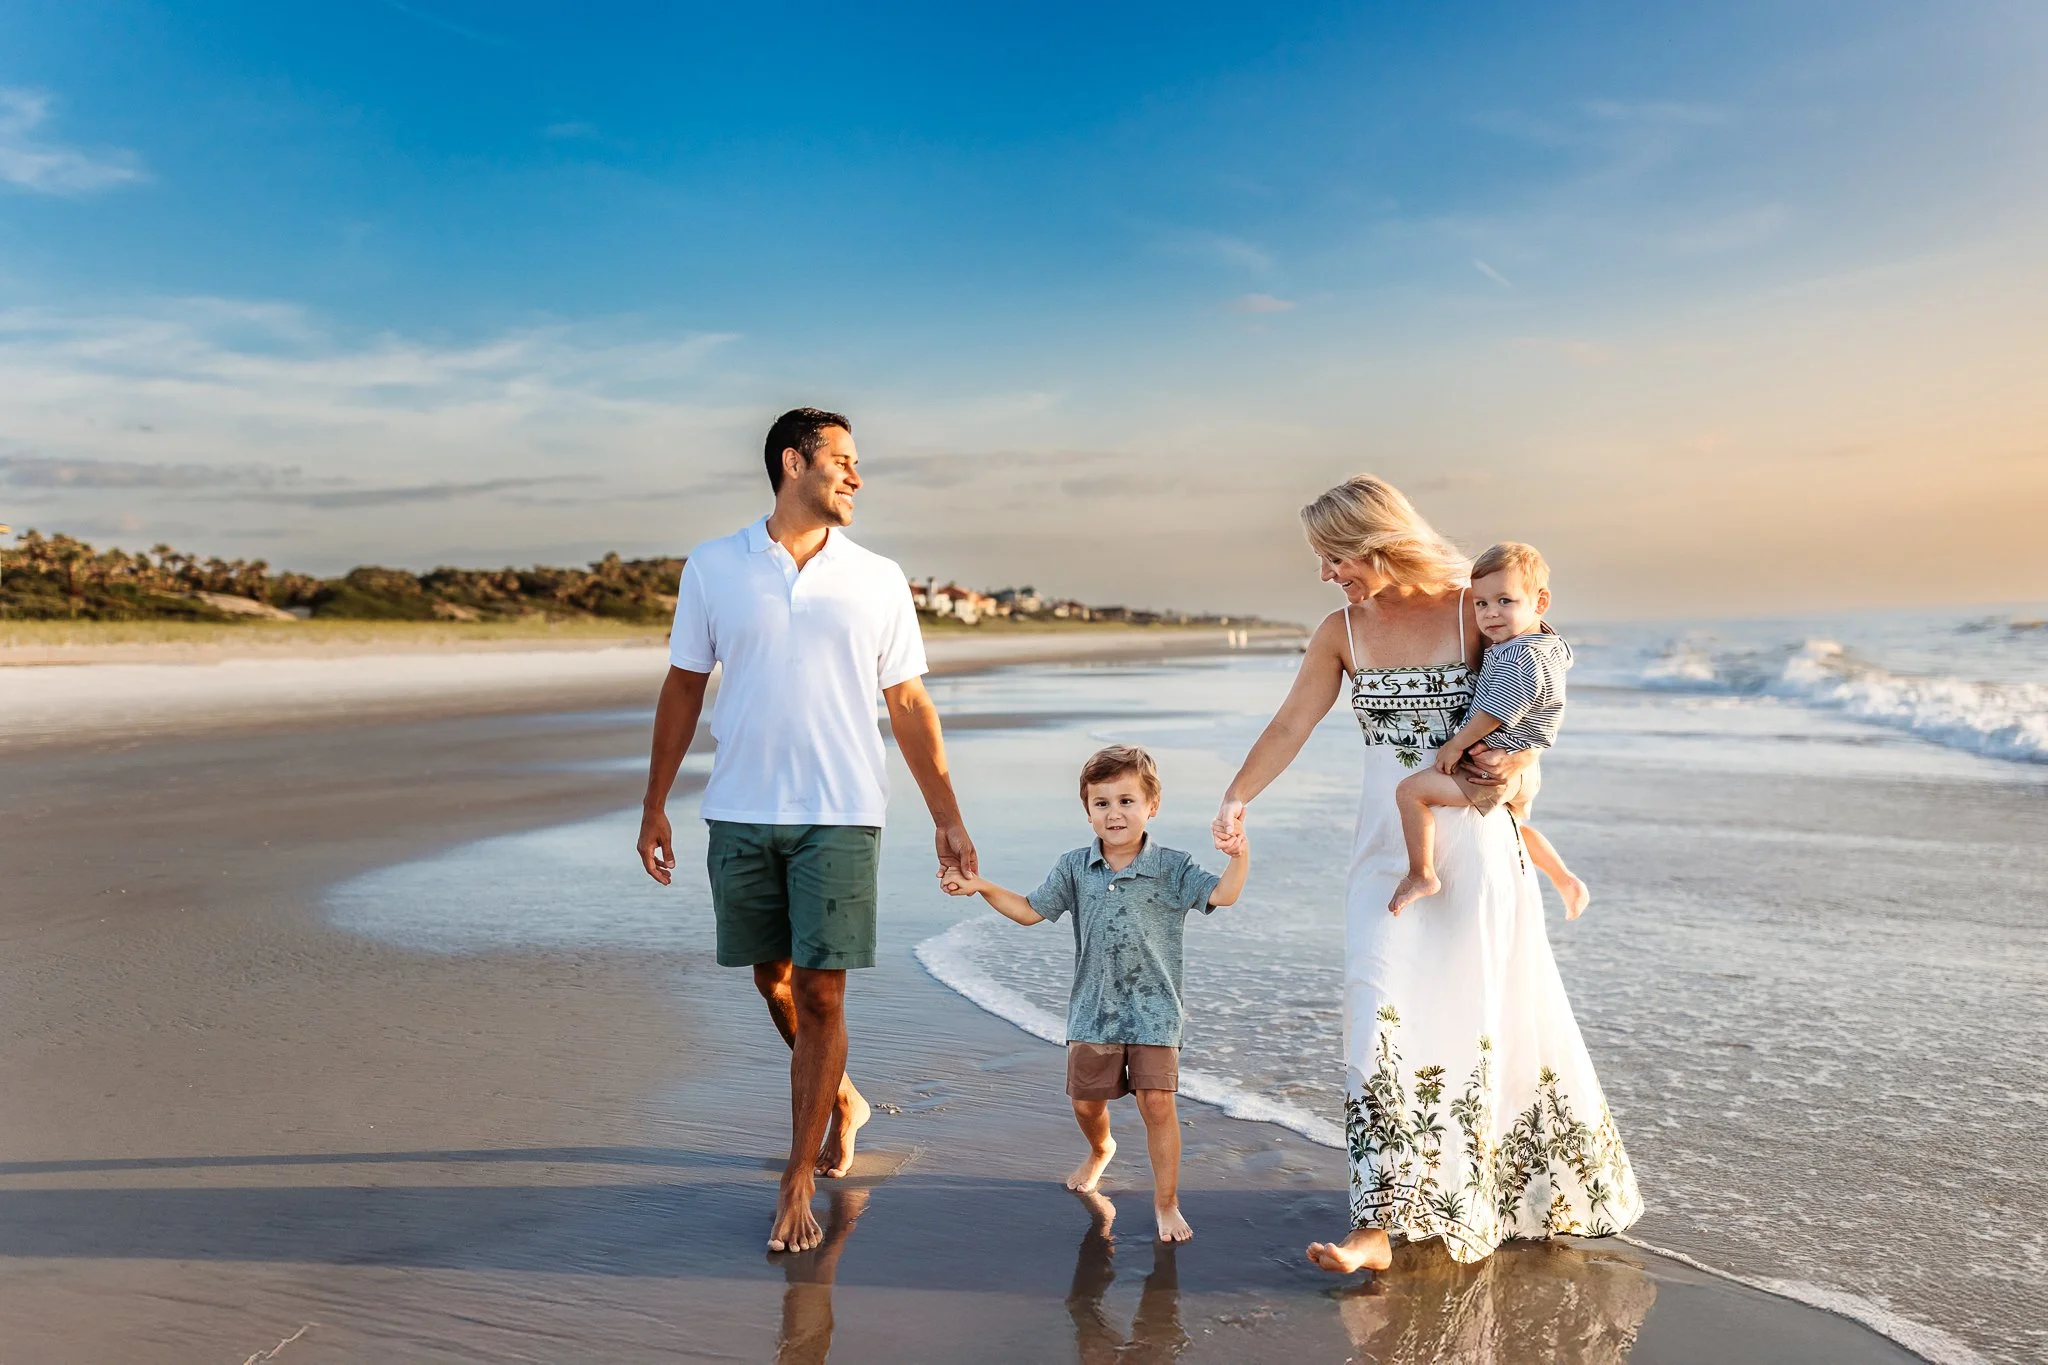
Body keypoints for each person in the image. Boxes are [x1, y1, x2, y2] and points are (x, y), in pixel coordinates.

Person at [1211, 475, 1641, 1273]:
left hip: (1475, 844)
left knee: (1479, 1016)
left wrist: (1522, 761)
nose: (1326, 573)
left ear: (1376, 545)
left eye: (1334, 556)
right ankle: (1375, 1227)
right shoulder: (1341, 630)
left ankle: (1490, 1194)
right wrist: (1238, 794)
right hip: (1385, 849)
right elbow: (1289, 721)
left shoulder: (1467, 608)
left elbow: (1539, 688)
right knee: (1378, 1019)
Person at [636, 407, 977, 1255]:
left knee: (824, 991)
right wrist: (654, 802)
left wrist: (947, 815)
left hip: (842, 812)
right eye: (843, 461)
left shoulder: (878, 575)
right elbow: (683, 687)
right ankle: (846, 1097)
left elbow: (908, 703)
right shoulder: (714, 566)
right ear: (793, 463)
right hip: (741, 810)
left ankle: (799, 1177)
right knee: (772, 980)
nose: (857, 476)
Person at [938, 744, 1249, 1242]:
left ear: (1152, 805)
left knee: (1157, 1104)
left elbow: (1224, 894)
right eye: (1102, 804)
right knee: (1086, 1103)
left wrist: (1239, 855)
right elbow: (1029, 911)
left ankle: (1166, 1204)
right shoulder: (1074, 867)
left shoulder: (1173, 867)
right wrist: (981, 886)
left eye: (1127, 801)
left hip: (1155, 1013)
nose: (1115, 813)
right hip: (1093, 1011)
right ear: (1088, 812)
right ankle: (1101, 1148)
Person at [1387, 541, 1590, 918]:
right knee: (1509, 823)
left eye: (1505, 601)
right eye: (1481, 604)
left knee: (1410, 792)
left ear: (1540, 602)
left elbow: (1496, 710)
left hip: (1491, 766)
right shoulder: (1544, 643)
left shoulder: (1520, 653)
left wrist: (1455, 744)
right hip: (1522, 765)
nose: (1491, 614)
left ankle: (1422, 874)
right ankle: (1564, 878)